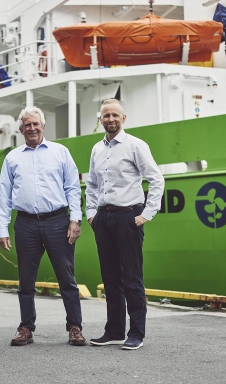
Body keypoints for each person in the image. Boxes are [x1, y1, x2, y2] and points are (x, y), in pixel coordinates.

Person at [0, 106, 86, 346]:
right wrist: (2, 228)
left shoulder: (60, 152)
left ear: (43, 126)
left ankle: (75, 327)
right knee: (26, 281)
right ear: (21, 129)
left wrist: (75, 219)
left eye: (35, 123)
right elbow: (4, 195)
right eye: (27, 124)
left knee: (67, 278)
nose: (32, 128)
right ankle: (26, 327)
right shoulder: (12, 158)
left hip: (58, 221)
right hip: (25, 223)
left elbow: (72, 188)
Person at [86, 99, 164, 350]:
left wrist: (147, 213)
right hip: (104, 218)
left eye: (115, 115)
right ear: (100, 119)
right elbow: (92, 184)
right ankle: (114, 330)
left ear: (123, 118)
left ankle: (137, 333)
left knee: (132, 277)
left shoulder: (135, 145)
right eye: (106, 115)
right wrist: (91, 213)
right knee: (110, 277)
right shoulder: (97, 149)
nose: (110, 119)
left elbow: (156, 179)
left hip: (128, 216)